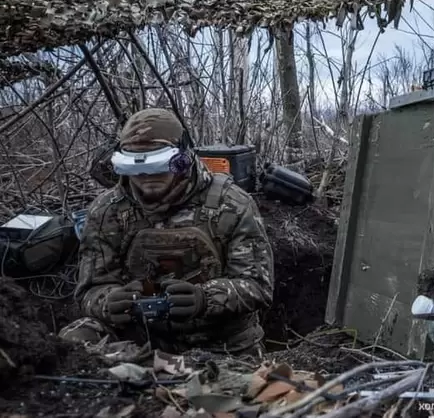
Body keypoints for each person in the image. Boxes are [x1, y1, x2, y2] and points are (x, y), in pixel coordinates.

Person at [59, 108, 275, 355]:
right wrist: (109, 301)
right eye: (136, 169)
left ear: (182, 159)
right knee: (74, 340)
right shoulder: (107, 211)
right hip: (140, 338)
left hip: (221, 342)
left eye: (158, 166)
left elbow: (258, 286)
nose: (146, 177)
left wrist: (206, 298)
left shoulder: (233, 204)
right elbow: (88, 290)